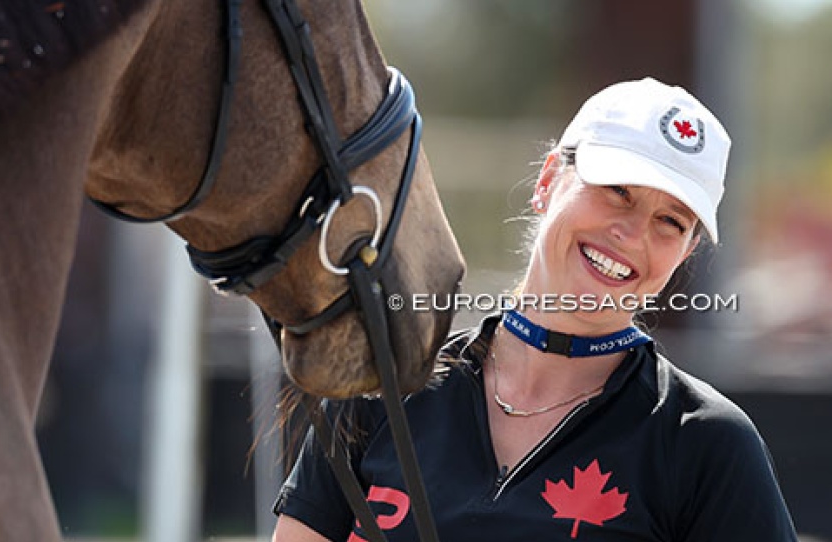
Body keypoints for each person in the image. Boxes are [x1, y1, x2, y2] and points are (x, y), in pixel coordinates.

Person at [270, 77, 798, 541]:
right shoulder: (384, 390)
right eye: (616, 190)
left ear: (686, 252)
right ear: (547, 181)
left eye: (671, 222)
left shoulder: (707, 444)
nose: (633, 235)